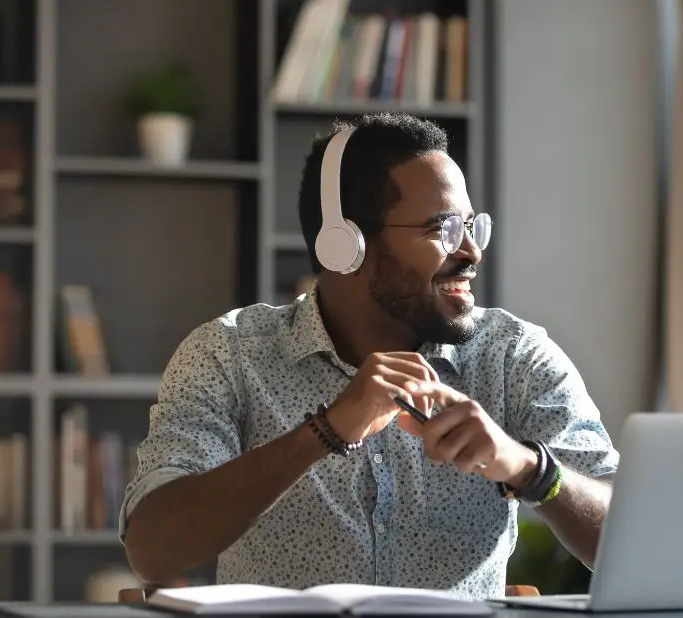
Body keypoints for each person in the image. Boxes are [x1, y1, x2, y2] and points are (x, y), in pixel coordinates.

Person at [119, 112, 619, 600]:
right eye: (442, 229)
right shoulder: (231, 354)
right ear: (346, 246)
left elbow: (634, 535)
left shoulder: (513, 356)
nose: (471, 252)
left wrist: (530, 469)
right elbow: (152, 549)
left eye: (472, 226)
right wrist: (326, 431)